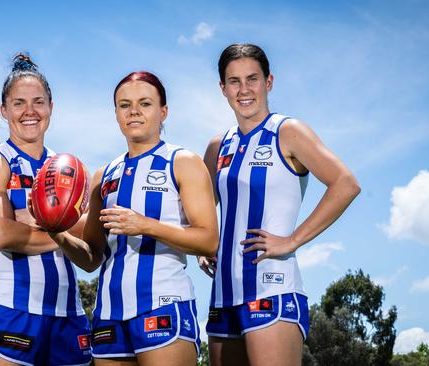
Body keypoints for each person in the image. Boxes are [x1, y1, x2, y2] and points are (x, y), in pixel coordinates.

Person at [199, 43, 361, 366]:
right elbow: (199, 213)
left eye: (252, 79)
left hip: (272, 291)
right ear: (222, 88)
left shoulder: (287, 132)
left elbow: (346, 184)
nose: (244, 90)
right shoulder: (218, 146)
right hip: (222, 297)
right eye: (234, 81)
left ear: (268, 82)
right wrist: (203, 247)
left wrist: (292, 240)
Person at [47, 71, 219, 366]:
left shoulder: (183, 162)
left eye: (145, 103)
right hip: (109, 315)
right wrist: (56, 233)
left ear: (163, 111)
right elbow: (91, 259)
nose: (134, 112)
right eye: (125, 105)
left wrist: (145, 225)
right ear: (116, 113)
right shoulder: (104, 175)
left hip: (163, 306)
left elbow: (208, 240)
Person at [0, 53, 92, 366]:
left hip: (68, 313)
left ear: (51, 107)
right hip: (10, 309)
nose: (29, 112)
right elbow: (3, 234)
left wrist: (33, 220)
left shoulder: (71, 169)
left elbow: (91, 250)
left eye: (38, 101)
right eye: (18, 103)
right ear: (4, 109)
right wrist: (63, 226)